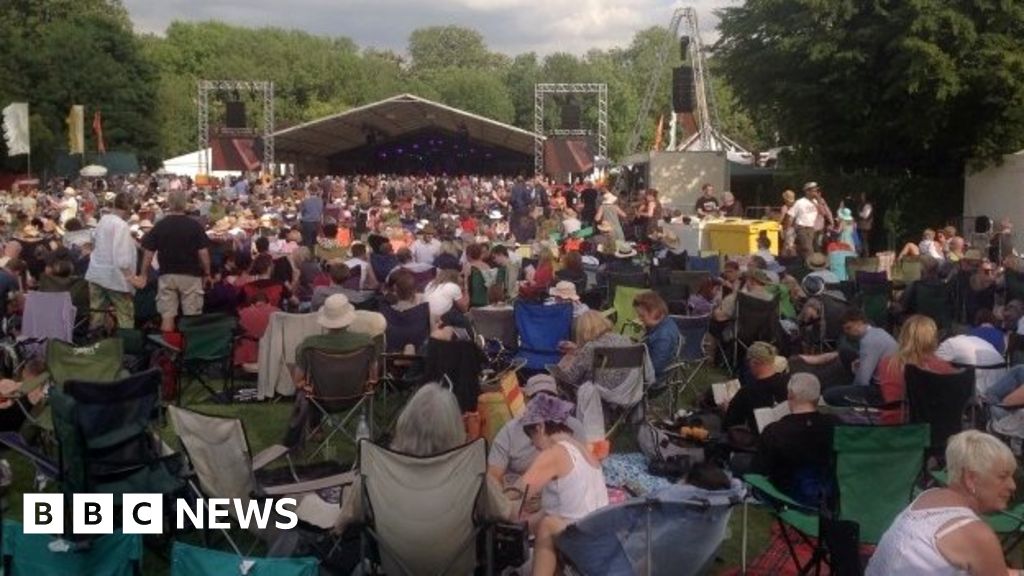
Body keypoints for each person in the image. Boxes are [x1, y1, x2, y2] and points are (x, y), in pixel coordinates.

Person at [334, 382, 511, 535]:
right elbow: (505, 513)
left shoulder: (374, 471)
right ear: (455, 428)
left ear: (404, 423)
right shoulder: (473, 475)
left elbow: (340, 525)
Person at [867, 430, 1016, 575]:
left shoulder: (928, 497)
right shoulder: (976, 535)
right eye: (1003, 477)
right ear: (971, 479)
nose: (1012, 485)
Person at [518, 394, 608, 576]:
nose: (532, 444)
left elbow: (518, 492)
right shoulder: (583, 449)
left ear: (540, 427)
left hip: (583, 543)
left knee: (547, 525)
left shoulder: (555, 453)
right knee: (544, 520)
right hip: (602, 538)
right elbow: (566, 508)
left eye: (531, 436)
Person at [752, 373, 838, 506]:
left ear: (790, 395)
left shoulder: (775, 431)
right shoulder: (834, 425)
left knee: (738, 462)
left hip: (783, 493)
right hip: (825, 489)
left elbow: (758, 470)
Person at [487, 374, 585, 485]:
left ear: (557, 400)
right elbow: (493, 475)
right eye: (536, 399)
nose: (542, 404)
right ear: (525, 400)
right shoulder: (510, 431)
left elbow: (584, 469)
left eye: (549, 398)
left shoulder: (574, 427)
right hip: (520, 495)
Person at [140, 189, 211, 334]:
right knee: (192, 317)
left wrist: (143, 274)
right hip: (190, 275)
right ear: (185, 204)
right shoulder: (194, 226)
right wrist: (207, 273)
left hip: (167, 274)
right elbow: (203, 253)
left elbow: (148, 253)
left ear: (169, 204)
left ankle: (167, 351)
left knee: (167, 316)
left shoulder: (160, 226)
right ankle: (190, 350)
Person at [874, 315, 955, 422]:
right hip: (935, 426)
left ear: (903, 335)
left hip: (896, 424)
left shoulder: (888, 363)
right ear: (933, 337)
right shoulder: (945, 367)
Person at [290, 294, 373, 393]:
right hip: (357, 396)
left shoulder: (308, 344)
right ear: (349, 319)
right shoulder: (366, 341)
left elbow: (298, 382)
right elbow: (373, 378)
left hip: (319, 398)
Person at [85, 192, 144, 330]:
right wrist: (131, 278)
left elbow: (94, 242)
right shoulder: (121, 226)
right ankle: (126, 346)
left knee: (96, 314)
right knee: (125, 315)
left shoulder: (103, 220)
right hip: (115, 278)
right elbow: (122, 257)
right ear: (129, 207)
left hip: (96, 273)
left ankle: (94, 344)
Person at [721, 341, 789, 431]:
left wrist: (727, 409)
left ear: (754, 362)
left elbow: (730, 424)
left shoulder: (746, 392)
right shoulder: (790, 383)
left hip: (758, 439)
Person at [633, 291, 681, 383]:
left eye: (642, 316)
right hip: (647, 369)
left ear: (654, 311)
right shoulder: (665, 322)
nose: (640, 319)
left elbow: (654, 368)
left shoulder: (663, 337)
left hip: (652, 381)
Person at [789, 183, 820, 258]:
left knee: (807, 247)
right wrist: (789, 229)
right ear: (807, 192)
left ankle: (805, 263)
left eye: (816, 191)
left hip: (811, 228)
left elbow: (823, 212)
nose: (815, 193)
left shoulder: (816, 202)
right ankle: (812, 264)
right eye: (813, 191)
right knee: (808, 247)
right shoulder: (800, 202)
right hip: (802, 227)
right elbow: (791, 215)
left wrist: (819, 200)